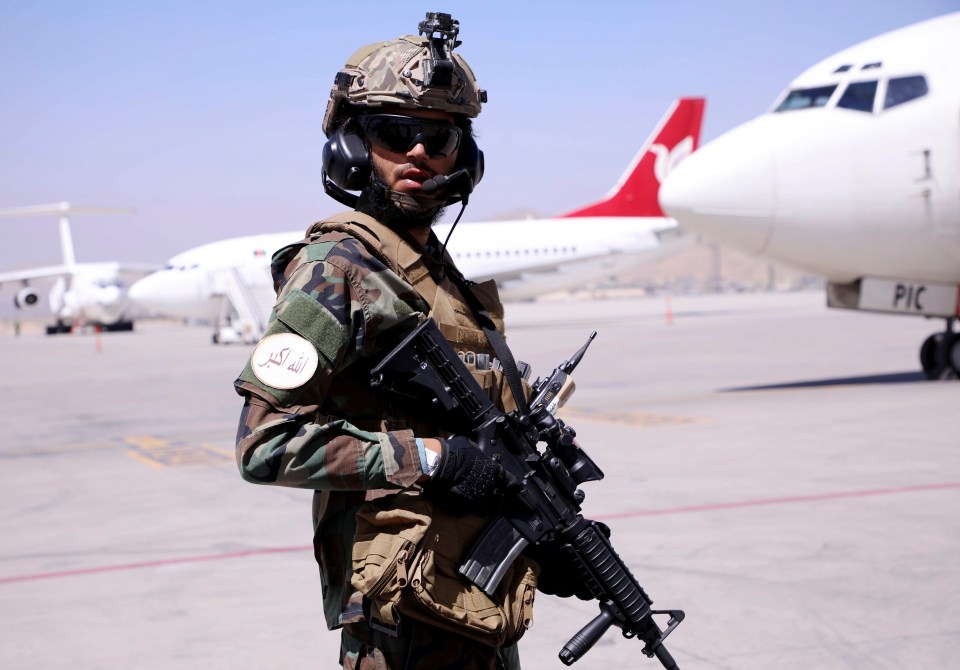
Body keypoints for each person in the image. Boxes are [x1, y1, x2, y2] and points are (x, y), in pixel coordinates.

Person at [234, 12, 540, 669]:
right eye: (394, 133)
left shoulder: (444, 278)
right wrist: (432, 459)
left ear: (467, 156)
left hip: (478, 613)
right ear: (351, 145)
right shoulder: (334, 267)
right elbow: (264, 445)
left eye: (440, 137)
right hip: (401, 628)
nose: (419, 154)